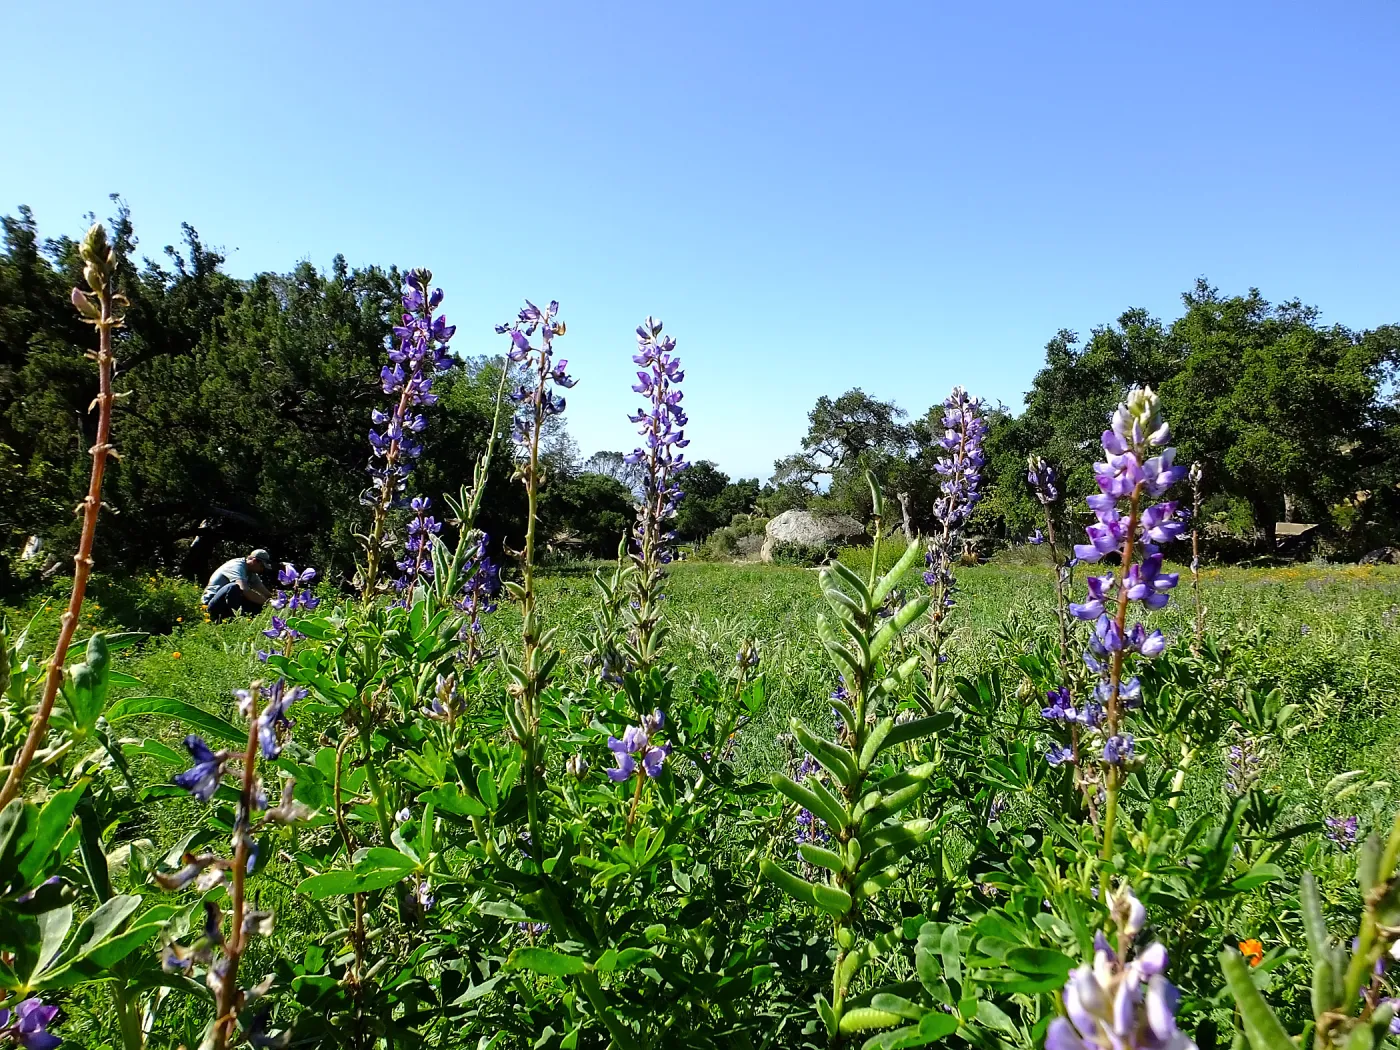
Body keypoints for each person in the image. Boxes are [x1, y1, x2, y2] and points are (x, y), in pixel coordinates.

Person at [202, 549, 274, 621]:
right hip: (211, 604)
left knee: (256, 602)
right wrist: (267, 603)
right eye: (262, 566)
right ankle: (236, 619)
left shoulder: (251, 573)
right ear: (255, 561)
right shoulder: (237, 565)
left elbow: (265, 593)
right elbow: (244, 590)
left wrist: (276, 601)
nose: (262, 569)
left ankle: (245, 620)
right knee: (234, 587)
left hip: (226, 603)